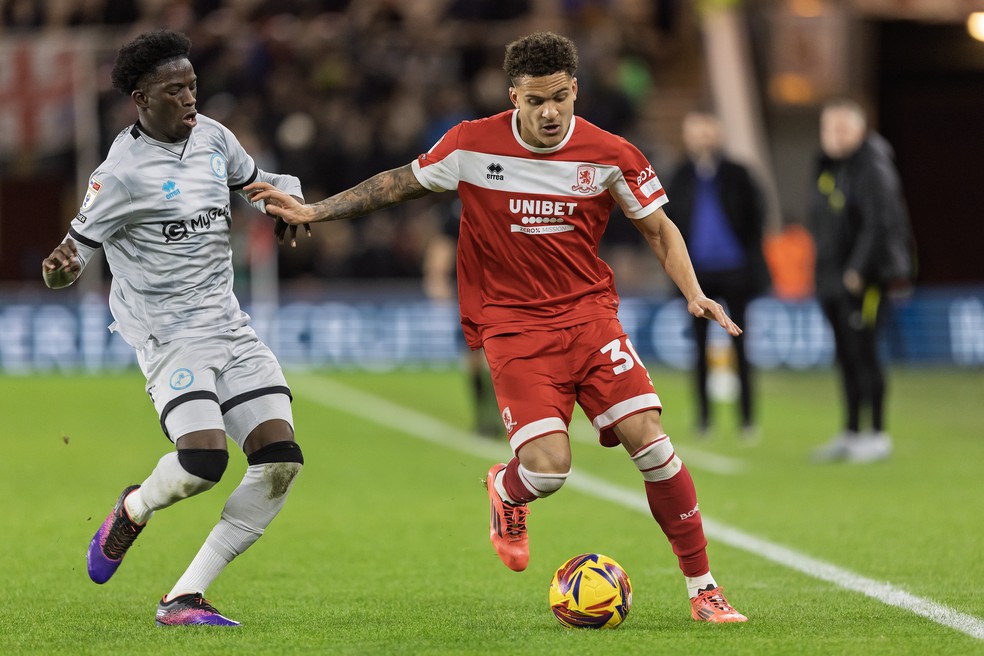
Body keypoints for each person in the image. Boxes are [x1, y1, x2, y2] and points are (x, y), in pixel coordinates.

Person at [251, 32, 747, 623]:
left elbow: (659, 229)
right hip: (512, 328)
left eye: (559, 98)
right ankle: (509, 490)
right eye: (535, 101)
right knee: (550, 470)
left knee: (653, 444)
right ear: (514, 97)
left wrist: (694, 293)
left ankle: (704, 589)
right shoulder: (470, 144)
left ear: (575, 90)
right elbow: (395, 184)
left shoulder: (611, 153)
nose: (549, 112)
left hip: (589, 318)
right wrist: (316, 210)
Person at [41, 29, 306, 626]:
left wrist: (285, 199)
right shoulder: (119, 174)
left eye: (192, 85)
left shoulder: (214, 137)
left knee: (280, 461)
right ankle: (134, 508)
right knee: (203, 465)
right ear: (140, 98)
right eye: (174, 90)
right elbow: (72, 255)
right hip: (168, 336)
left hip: (228, 325)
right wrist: (59, 271)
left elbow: (256, 184)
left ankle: (183, 598)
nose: (190, 98)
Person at [807, 98, 914, 464]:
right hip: (831, 277)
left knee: (865, 353)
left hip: (863, 279)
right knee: (845, 356)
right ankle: (851, 432)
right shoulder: (828, 167)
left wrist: (859, 269)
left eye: (842, 128)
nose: (833, 136)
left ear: (859, 129)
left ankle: (878, 434)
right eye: (828, 128)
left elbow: (880, 222)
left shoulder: (872, 165)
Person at [666, 110, 771, 440]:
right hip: (695, 278)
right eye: (695, 133)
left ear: (718, 134)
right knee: (697, 351)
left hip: (736, 272)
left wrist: (751, 261)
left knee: (742, 347)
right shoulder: (679, 176)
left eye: (707, 132)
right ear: (686, 137)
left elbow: (758, 217)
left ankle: (747, 420)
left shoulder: (738, 173)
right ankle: (704, 419)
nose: (702, 139)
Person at [422, 199, 502, 438]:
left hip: (502, 293)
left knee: (500, 359)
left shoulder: (502, 201)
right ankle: (483, 415)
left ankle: (503, 415)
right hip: (470, 296)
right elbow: (443, 244)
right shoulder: (458, 209)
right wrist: (436, 277)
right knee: (474, 361)